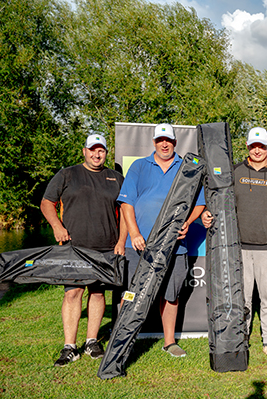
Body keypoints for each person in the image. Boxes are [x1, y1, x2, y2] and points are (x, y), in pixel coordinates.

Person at [201, 127, 267, 362]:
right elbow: (220, 199)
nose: (257, 150)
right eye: (253, 145)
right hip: (239, 247)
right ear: (247, 146)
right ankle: (240, 338)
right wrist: (207, 212)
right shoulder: (235, 171)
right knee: (241, 299)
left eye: (261, 146)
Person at [117, 123, 205, 358]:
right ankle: (124, 343)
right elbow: (127, 204)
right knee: (132, 294)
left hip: (174, 246)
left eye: (168, 140)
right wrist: (134, 233)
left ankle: (169, 342)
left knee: (170, 295)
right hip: (140, 245)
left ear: (175, 142)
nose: (164, 144)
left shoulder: (188, 168)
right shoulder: (138, 166)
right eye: (160, 140)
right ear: (154, 142)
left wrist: (188, 222)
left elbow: (199, 203)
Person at [41, 134, 127, 367]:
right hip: (74, 246)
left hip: (106, 247)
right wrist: (57, 227)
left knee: (97, 293)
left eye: (101, 150)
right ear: (84, 151)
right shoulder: (67, 174)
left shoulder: (116, 178)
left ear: (106, 153)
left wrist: (121, 241)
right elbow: (47, 202)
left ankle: (91, 342)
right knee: (73, 293)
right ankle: (70, 346)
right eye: (92, 150)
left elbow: (127, 211)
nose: (96, 154)